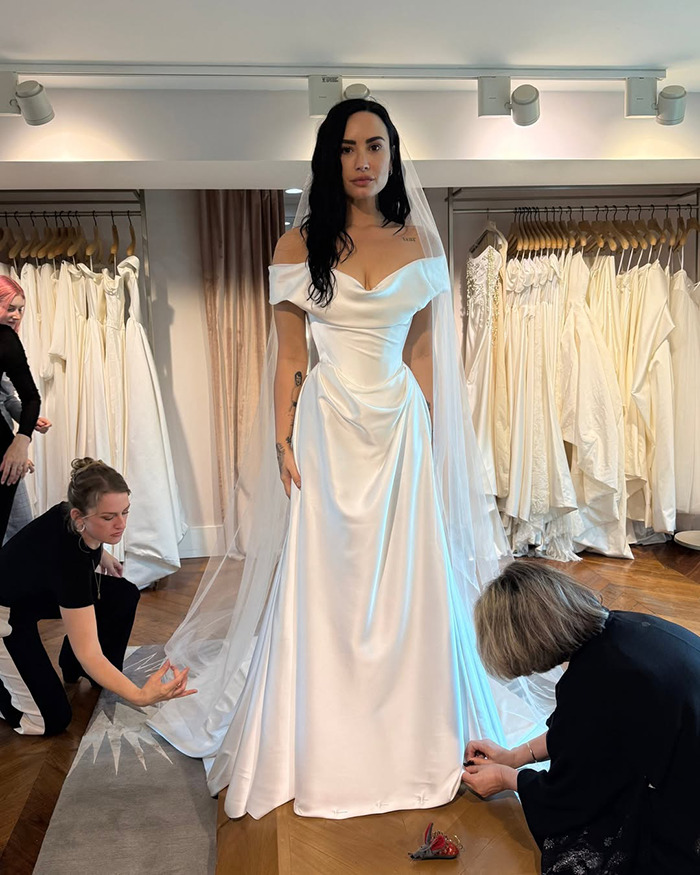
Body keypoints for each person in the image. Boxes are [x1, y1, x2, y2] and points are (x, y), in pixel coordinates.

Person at [150, 99, 555, 820]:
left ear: (393, 154)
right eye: (346, 148)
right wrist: (282, 441)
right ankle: (321, 732)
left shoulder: (421, 247)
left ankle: (412, 729)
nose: (361, 159)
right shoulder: (294, 246)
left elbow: (426, 353)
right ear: (329, 159)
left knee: (407, 579)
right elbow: (289, 358)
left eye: (374, 145)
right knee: (328, 576)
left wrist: (430, 439)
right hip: (327, 429)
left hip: (399, 432)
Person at [461, 560, 700, 875]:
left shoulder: (594, 681)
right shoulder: (616, 630)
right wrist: (514, 756)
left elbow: (568, 795)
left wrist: (507, 779)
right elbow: (583, 732)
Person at [0, 458, 195, 736]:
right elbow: (89, 651)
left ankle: (82, 669)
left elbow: (59, 547)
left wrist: (101, 553)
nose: (121, 524)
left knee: (123, 594)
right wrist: (139, 695)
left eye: (125, 512)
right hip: (7, 616)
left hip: (36, 594)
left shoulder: (69, 514)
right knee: (49, 721)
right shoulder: (71, 565)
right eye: (108, 517)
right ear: (80, 517)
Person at [0, 276, 52, 542]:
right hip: (8, 450)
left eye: (21, 309)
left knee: (20, 528)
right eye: (11, 308)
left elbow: (15, 399)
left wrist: (21, 439)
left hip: (6, 454)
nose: (17, 315)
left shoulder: (7, 341)